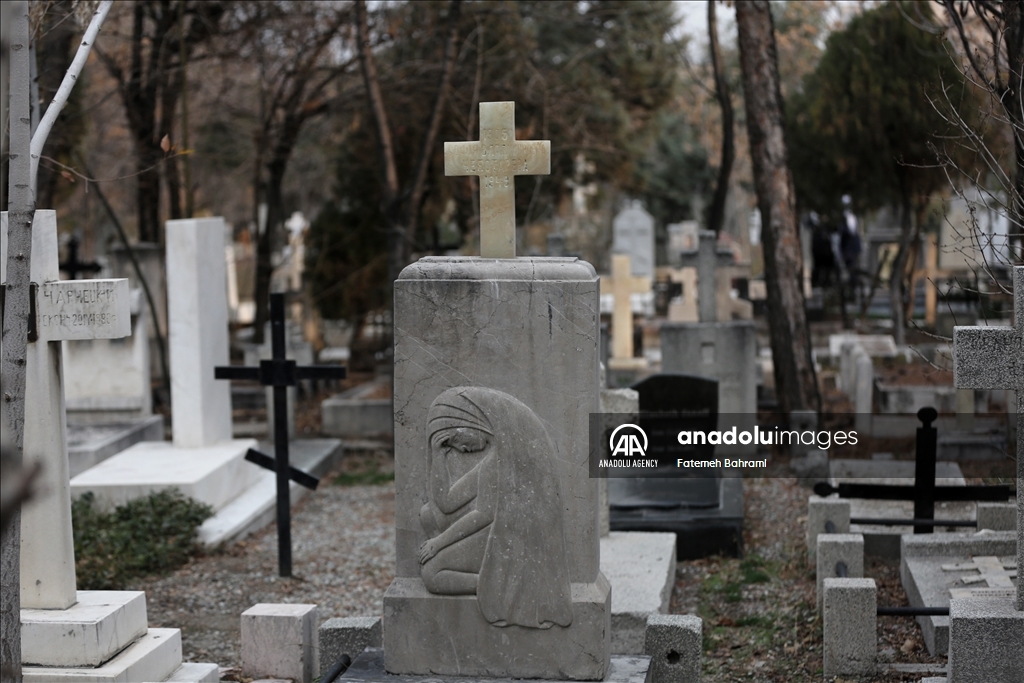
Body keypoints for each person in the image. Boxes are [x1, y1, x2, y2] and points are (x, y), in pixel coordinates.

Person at [418, 386, 573, 629]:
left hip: (508, 539)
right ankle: (498, 583)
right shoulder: (494, 458)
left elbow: (483, 515)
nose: (460, 449)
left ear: (474, 422)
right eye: (450, 444)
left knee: (431, 575)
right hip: (496, 534)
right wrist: (439, 456)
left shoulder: (499, 462)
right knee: (428, 514)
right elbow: (447, 502)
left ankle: (497, 586)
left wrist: (439, 543)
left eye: (455, 439)